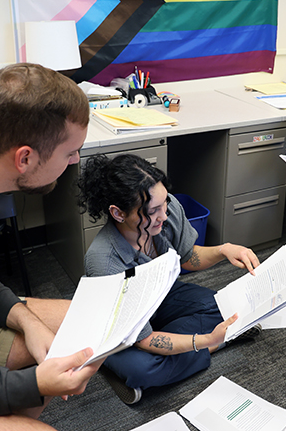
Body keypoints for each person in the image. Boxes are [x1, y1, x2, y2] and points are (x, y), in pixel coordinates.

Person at [0, 63, 103, 430]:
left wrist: (25, 320)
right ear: (25, 158)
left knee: (78, 323)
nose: (76, 160)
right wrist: (28, 385)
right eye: (70, 152)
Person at [77, 153, 261, 404]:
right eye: (153, 211)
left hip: (159, 296)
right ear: (118, 213)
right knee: (143, 367)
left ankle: (182, 350)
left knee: (226, 306)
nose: (164, 215)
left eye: (164, 203)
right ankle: (207, 347)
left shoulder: (167, 207)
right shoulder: (104, 260)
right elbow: (143, 339)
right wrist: (206, 341)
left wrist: (223, 250)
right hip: (119, 329)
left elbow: (188, 257)